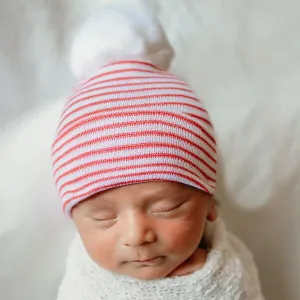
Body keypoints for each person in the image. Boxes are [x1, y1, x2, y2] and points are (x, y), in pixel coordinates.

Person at [52, 2, 264, 299]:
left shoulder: (230, 269)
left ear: (210, 204)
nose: (137, 235)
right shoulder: (83, 283)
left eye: (166, 208)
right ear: (75, 219)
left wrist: (204, 287)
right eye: (103, 218)